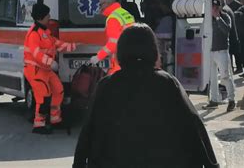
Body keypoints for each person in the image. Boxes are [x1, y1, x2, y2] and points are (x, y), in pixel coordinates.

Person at [73, 23, 219, 168]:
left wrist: (78, 164)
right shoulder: (167, 83)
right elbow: (194, 125)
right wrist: (212, 164)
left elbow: (88, 131)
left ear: (121, 50)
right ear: (153, 50)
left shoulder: (106, 85)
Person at [24, 3, 76, 134]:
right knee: (43, 97)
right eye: (47, 15)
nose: (50, 17)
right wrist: (51, 63)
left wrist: (74, 46)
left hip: (45, 69)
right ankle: (39, 125)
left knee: (58, 90)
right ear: (41, 17)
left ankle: (55, 119)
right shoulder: (34, 33)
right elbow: (36, 54)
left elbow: (56, 44)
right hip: (35, 70)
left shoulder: (44, 32)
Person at [203, 0, 236, 112]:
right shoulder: (207, 19)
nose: (214, 9)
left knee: (225, 77)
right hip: (210, 51)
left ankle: (232, 100)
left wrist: (218, 18)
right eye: (212, 7)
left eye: (216, 7)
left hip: (221, 50)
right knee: (212, 78)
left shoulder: (225, 17)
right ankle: (214, 100)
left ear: (220, 7)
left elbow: (227, 30)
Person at [89, 0, 135, 74]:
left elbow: (113, 44)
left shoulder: (113, 18)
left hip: (120, 61)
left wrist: (98, 57)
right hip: (131, 57)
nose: (99, 7)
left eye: (101, 4)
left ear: (107, 4)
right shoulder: (125, 13)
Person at [217, 0, 242, 74]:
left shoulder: (224, 10)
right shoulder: (227, 8)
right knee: (234, 53)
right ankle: (237, 68)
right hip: (233, 34)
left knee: (229, 54)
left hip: (229, 35)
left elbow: (224, 25)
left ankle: (230, 70)